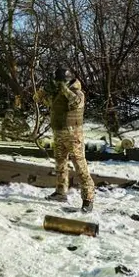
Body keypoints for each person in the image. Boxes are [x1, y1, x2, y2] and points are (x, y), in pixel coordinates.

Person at [35, 66, 96, 213]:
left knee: (80, 167)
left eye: (59, 82)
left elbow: (74, 102)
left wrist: (64, 89)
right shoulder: (57, 95)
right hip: (59, 134)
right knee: (60, 164)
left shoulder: (77, 93)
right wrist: (43, 91)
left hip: (73, 137)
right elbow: (38, 99)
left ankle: (88, 199)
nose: (57, 85)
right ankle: (61, 192)